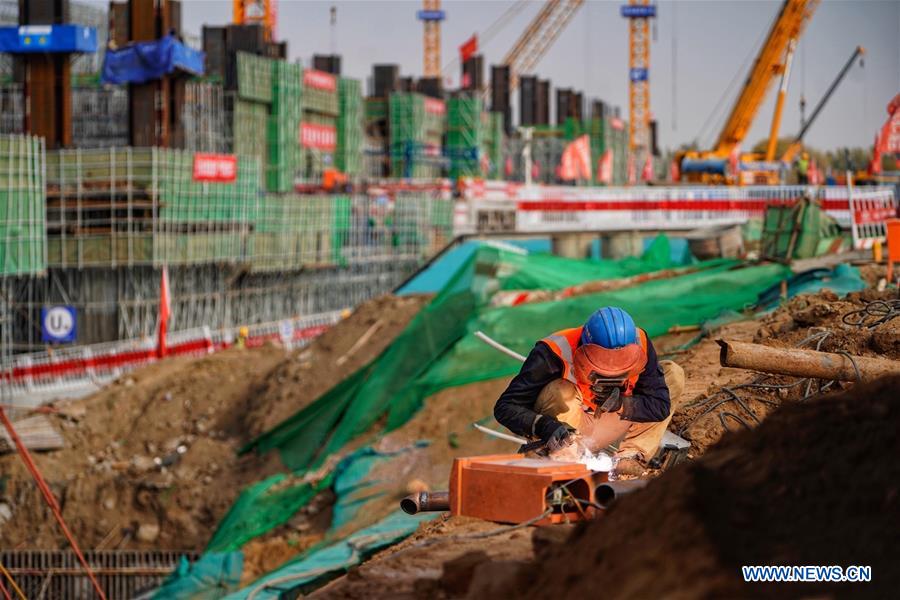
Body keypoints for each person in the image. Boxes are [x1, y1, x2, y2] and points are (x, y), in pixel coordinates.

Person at [493, 306, 684, 475]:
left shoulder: (640, 342)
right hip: (567, 432)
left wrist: (622, 404)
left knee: (672, 373)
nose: (612, 372)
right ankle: (564, 460)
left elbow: (660, 406)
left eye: (621, 365)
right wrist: (545, 426)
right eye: (603, 365)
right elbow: (505, 407)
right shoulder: (553, 352)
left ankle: (631, 458)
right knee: (560, 390)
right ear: (583, 347)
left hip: (614, 422)